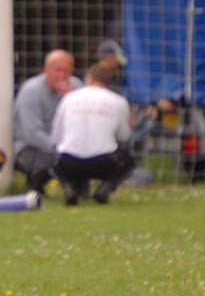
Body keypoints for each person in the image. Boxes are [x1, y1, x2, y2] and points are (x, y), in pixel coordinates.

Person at [50, 61, 136, 205]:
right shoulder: (119, 101)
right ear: (109, 83)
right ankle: (106, 187)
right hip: (103, 162)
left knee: (54, 156)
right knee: (129, 160)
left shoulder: (68, 98)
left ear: (89, 79)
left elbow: (56, 137)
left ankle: (68, 187)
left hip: (68, 162)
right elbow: (124, 136)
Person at [12, 49, 82, 195]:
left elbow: (83, 124)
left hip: (66, 146)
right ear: (46, 70)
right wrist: (61, 150)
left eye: (66, 71)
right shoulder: (31, 90)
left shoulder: (77, 88)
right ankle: (35, 189)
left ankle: (79, 189)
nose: (62, 75)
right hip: (30, 147)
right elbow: (31, 133)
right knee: (45, 160)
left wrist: (71, 101)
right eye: (57, 70)